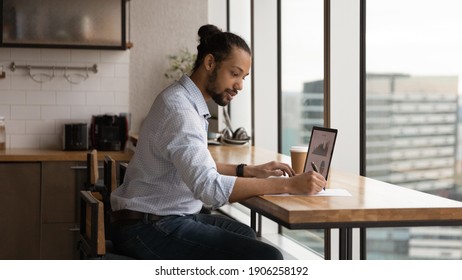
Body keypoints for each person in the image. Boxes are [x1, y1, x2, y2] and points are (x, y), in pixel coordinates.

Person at [110, 24, 326, 260]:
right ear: (210, 62)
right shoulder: (180, 110)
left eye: (243, 77)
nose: (240, 85)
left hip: (161, 216)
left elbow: (197, 166)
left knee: (245, 234)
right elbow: (209, 189)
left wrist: (249, 170)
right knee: (268, 257)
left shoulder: (186, 102)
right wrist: (289, 185)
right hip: (148, 227)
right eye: (234, 74)